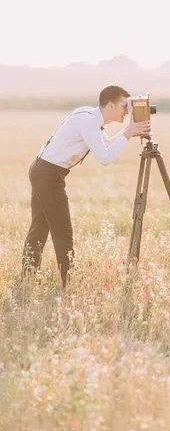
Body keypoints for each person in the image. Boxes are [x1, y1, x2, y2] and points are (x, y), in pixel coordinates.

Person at [22, 85, 151, 287]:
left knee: (39, 228)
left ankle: (27, 278)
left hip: (43, 171)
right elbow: (105, 157)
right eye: (125, 106)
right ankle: (68, 283)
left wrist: (128, 131)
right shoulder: (89, 121)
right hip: (48, 175)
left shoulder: (89, 117)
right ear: (110, 105)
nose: (128, 111)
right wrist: (128, 133)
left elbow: (105, 144)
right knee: (62, 232)